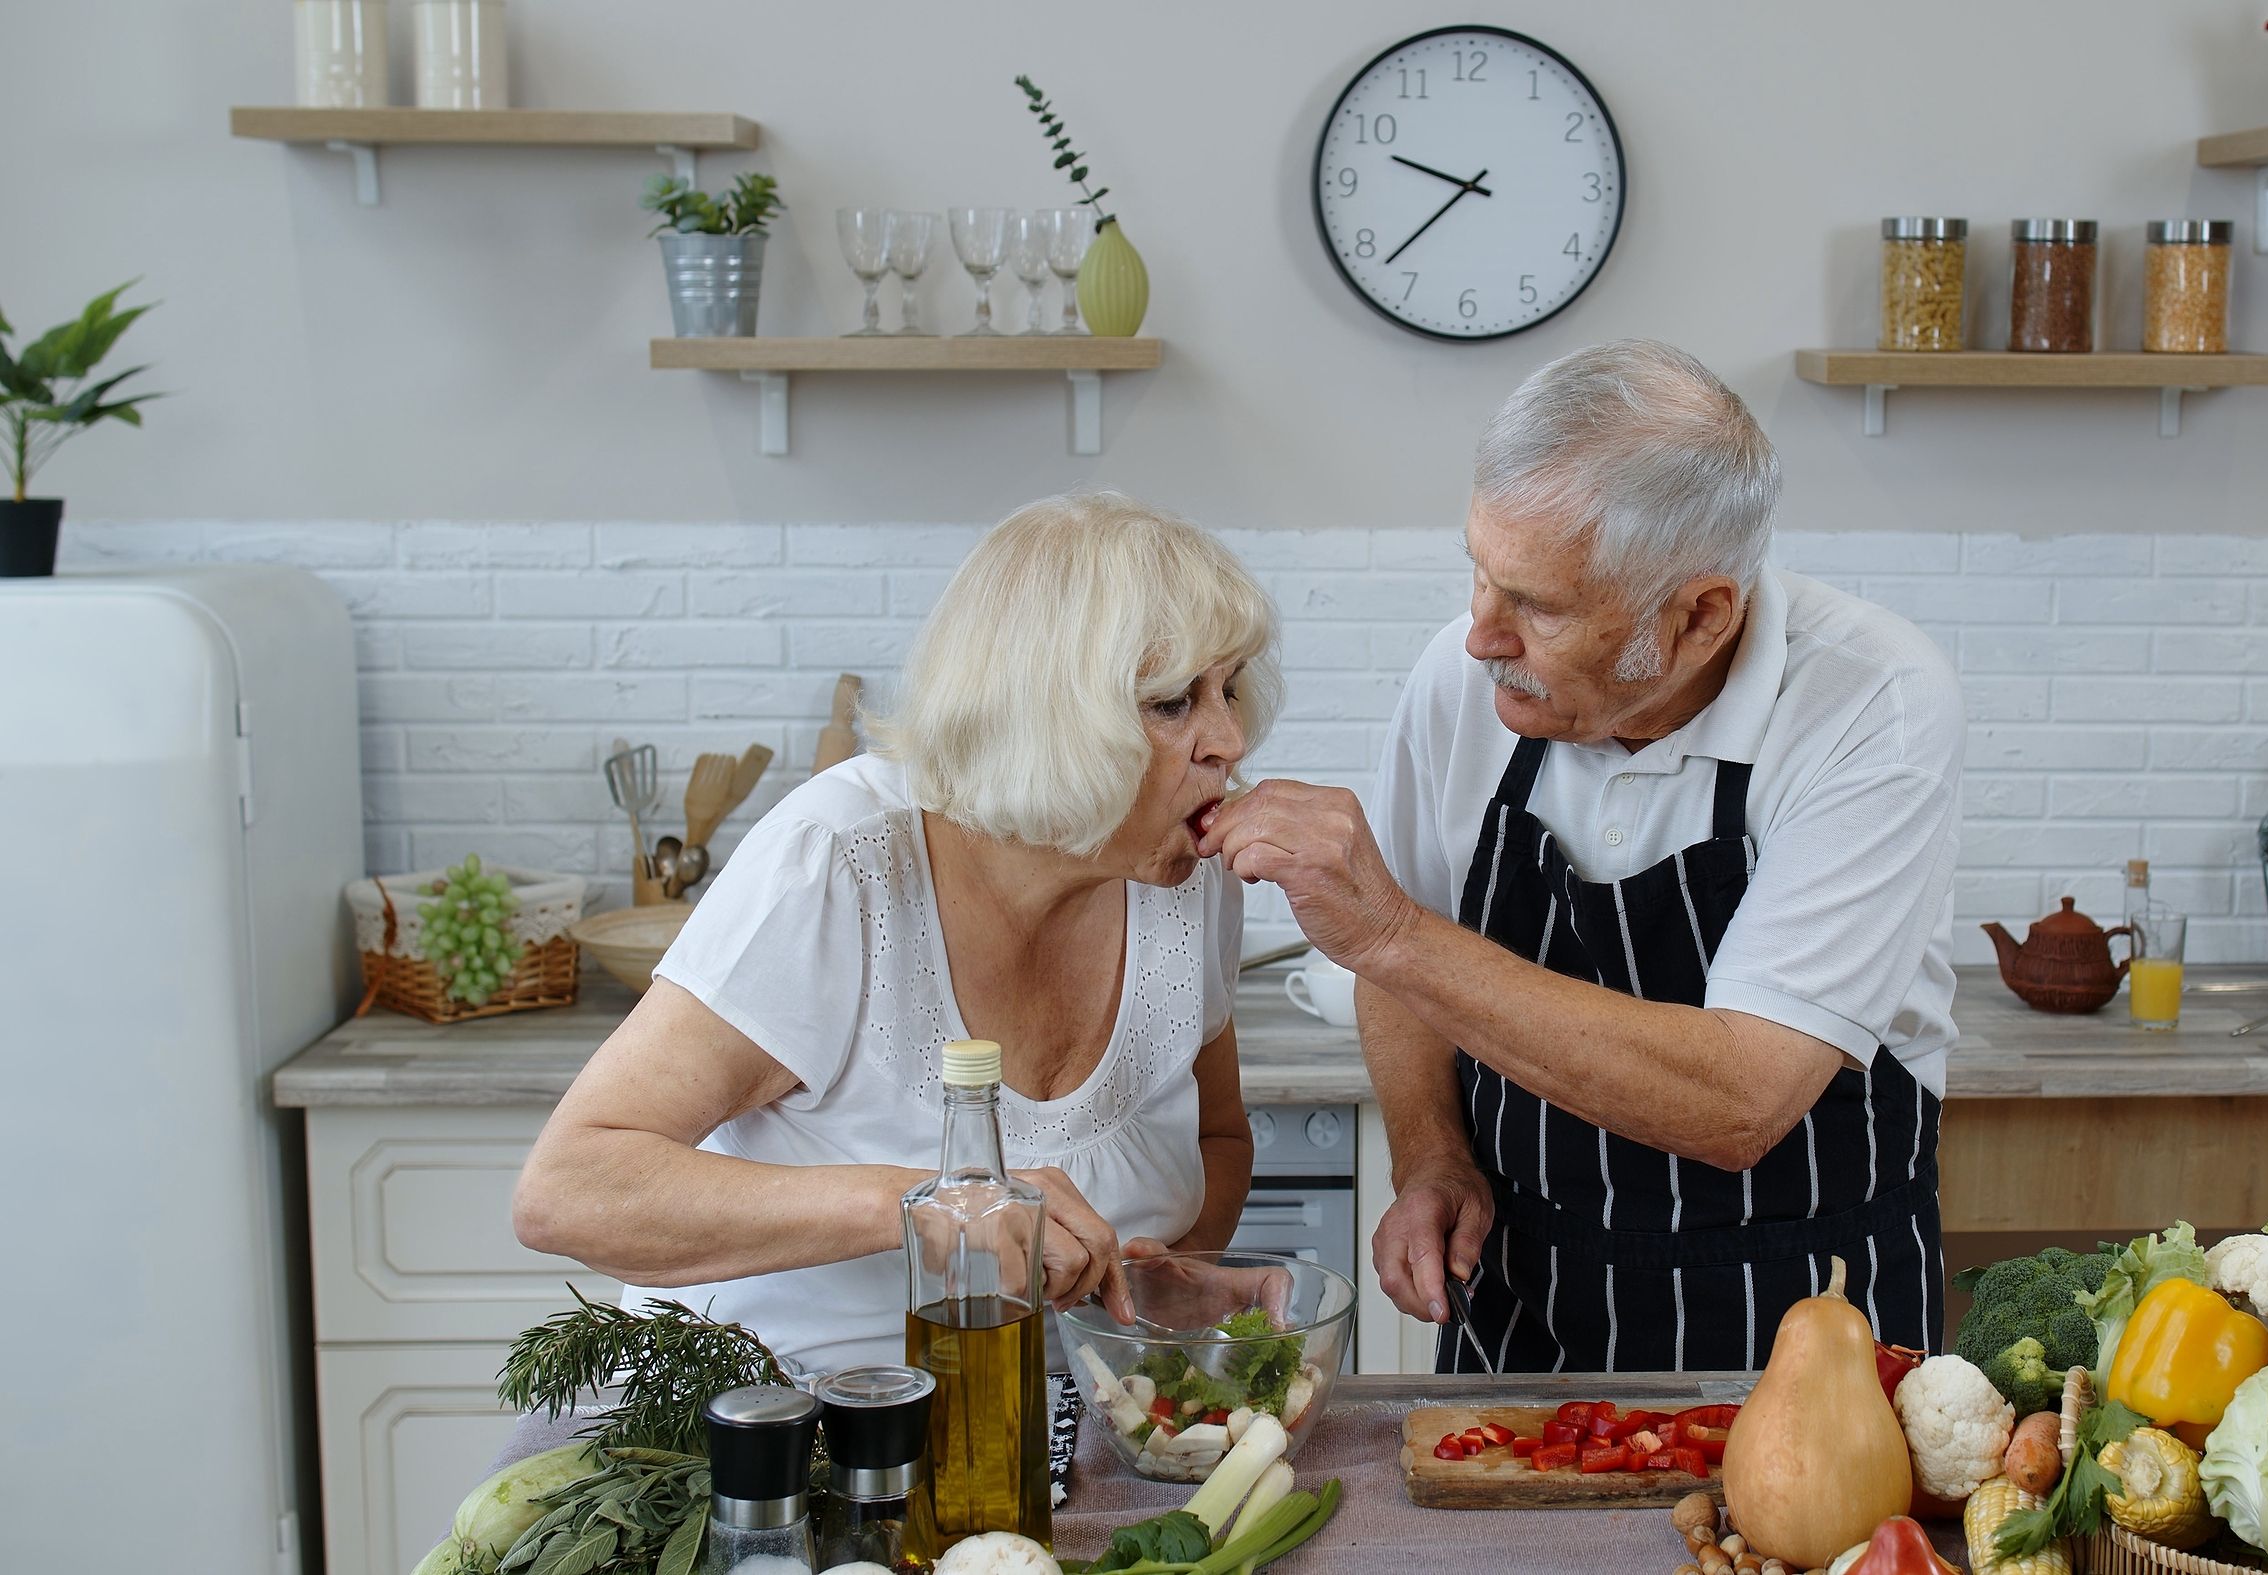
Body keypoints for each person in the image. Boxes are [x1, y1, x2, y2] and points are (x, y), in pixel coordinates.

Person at [1202, 341, 1964, 1371]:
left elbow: (1739, 1101)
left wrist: (1385, 929)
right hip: (1523, 1297)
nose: (1480, 637)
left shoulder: (1871, 703)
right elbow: (1401, 976)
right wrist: (1432, 1158)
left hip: (1803, 1316)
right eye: (1478, 572)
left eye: (1540, 607)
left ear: (1700, 616)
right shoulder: (1463, 682)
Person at [514, 492, 1280, 1376]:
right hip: (769, 1433)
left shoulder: (1187, 875)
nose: (1229, 737)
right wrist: (930, 1210)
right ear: (1050, 717)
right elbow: (568, 1188)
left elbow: (1218, 1139)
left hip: (1047, 1432)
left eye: (1230, 688)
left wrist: (1167, 1282)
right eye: (1173, 701)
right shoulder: (838, 864)